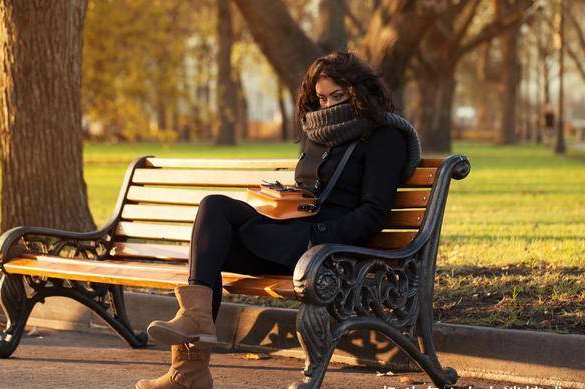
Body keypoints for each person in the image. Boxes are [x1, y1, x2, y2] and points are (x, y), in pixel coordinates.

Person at [135, 50, 421, 389]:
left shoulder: (383, 137)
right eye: (321, 97)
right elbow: (309, 192)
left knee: (209, 251)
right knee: (215, 208)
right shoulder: (321, 134)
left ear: (360, 91)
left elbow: (373, 213)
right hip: (295, 239)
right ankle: (191, 357)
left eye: (337, 96)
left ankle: (189, 368)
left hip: (332, 253)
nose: (328, 105)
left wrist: (319, 234)